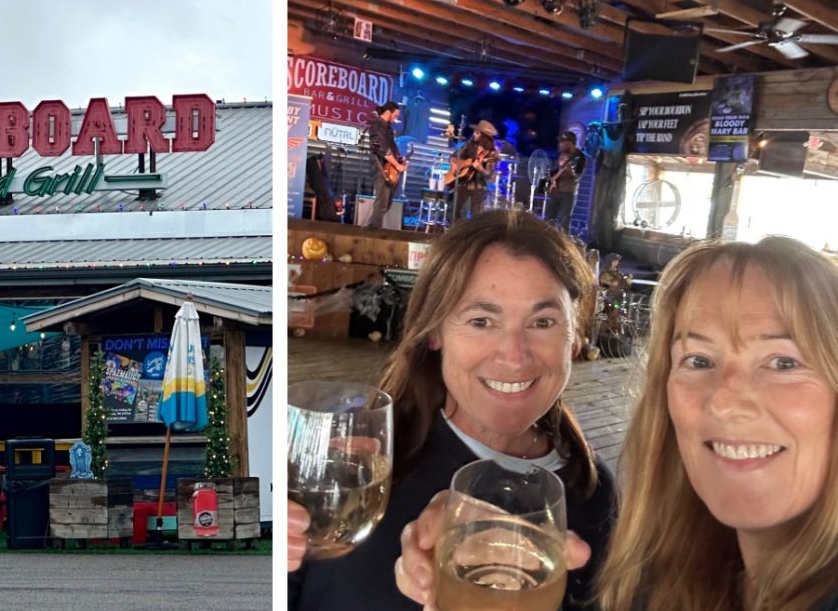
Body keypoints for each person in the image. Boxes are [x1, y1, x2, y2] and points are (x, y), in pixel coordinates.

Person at [398, 237, 838, 611]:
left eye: (783, 362)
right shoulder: (666, 572)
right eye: (698, 360)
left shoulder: (596, 494)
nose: (724, 401)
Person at [288, 210, 618, 610]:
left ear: (576, 339)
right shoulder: (355, 467)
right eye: (481, 321)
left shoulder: (594, 492)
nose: (514, 356)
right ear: (433, 334)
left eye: (543, 322)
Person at [364, 101, 407, 229]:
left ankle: (372, 227)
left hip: (389, 167)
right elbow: (382, 148)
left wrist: (400, 159)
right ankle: (374, 232)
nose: (396, 117)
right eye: (396, 114)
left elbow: (391, 147)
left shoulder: (388, 127)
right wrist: (397, 165)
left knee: (387, 202)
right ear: (388, 112)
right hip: (380, 166)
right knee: (382, 201)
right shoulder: (377, 124)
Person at [448, 119, 498, 223]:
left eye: (477, 133)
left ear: (484, 137)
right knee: (454, 210)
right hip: (463, 182)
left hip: (479, 186)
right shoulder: (470, 145)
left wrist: (480, 168)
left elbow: (489, 174)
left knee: (476, 216)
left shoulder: (492, 153)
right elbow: (453, 157)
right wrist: (454, 166)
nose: (474, 134)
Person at [545, 131, 587, 235]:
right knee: (549, 217)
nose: (560, 144)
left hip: (568, 193)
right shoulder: (560, 154)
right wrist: (550, 182)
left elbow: (578, 176)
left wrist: (570, 171)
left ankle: (563, 243)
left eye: (563, 142)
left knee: (564, 220)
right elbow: (553, 171)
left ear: (570, 143)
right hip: (555, 191)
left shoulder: (580, 156)